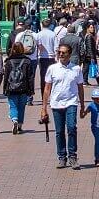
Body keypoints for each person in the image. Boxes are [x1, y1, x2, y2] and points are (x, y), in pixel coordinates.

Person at [41, 41, 86, 169]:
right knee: (59, 131)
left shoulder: (76, 69)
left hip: (71, 102)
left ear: (69, 54)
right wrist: (43, 108)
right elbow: (47, 89)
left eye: (63, 53)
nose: (60, 54)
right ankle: (62, 157)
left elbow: (80, 88)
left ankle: (72, 156)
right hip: (56, 104)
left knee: (71, 128)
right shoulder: (52, 69)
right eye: (59, 52)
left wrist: (82, 106)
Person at [4, 41, 34, 134]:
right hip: (24, 87)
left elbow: (6, 76)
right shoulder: (27, 61)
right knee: (21, 107)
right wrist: (31, 90)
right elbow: (30, 77)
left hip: (12, 88)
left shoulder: (9, 61)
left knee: (13, 106)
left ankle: (15, 120)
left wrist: (5, 88)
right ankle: (20, 125)